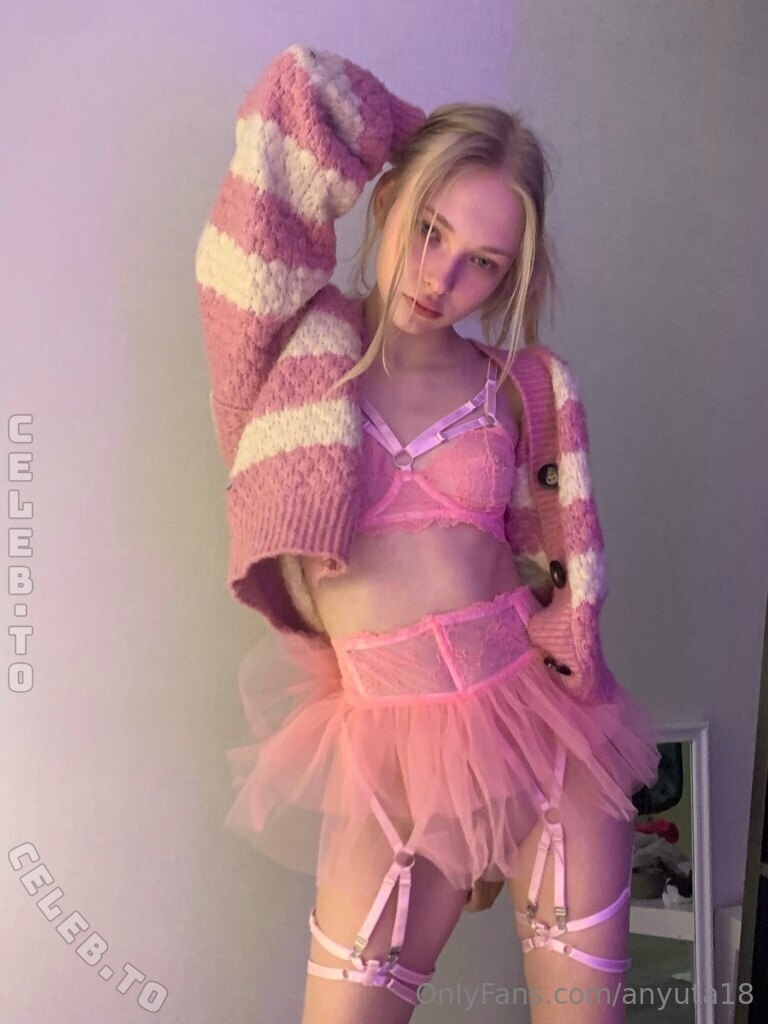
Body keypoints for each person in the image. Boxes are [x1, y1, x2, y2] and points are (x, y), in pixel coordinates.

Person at [195, 44, 661, 1024]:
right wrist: (428, 141)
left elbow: (563, 571)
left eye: (483, 261)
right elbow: (292, 98)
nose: (442, 275)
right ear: (390, 198)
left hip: (545, 731)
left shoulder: (526, 387)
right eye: (429, 227)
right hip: (385, 748)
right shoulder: (286, 356)